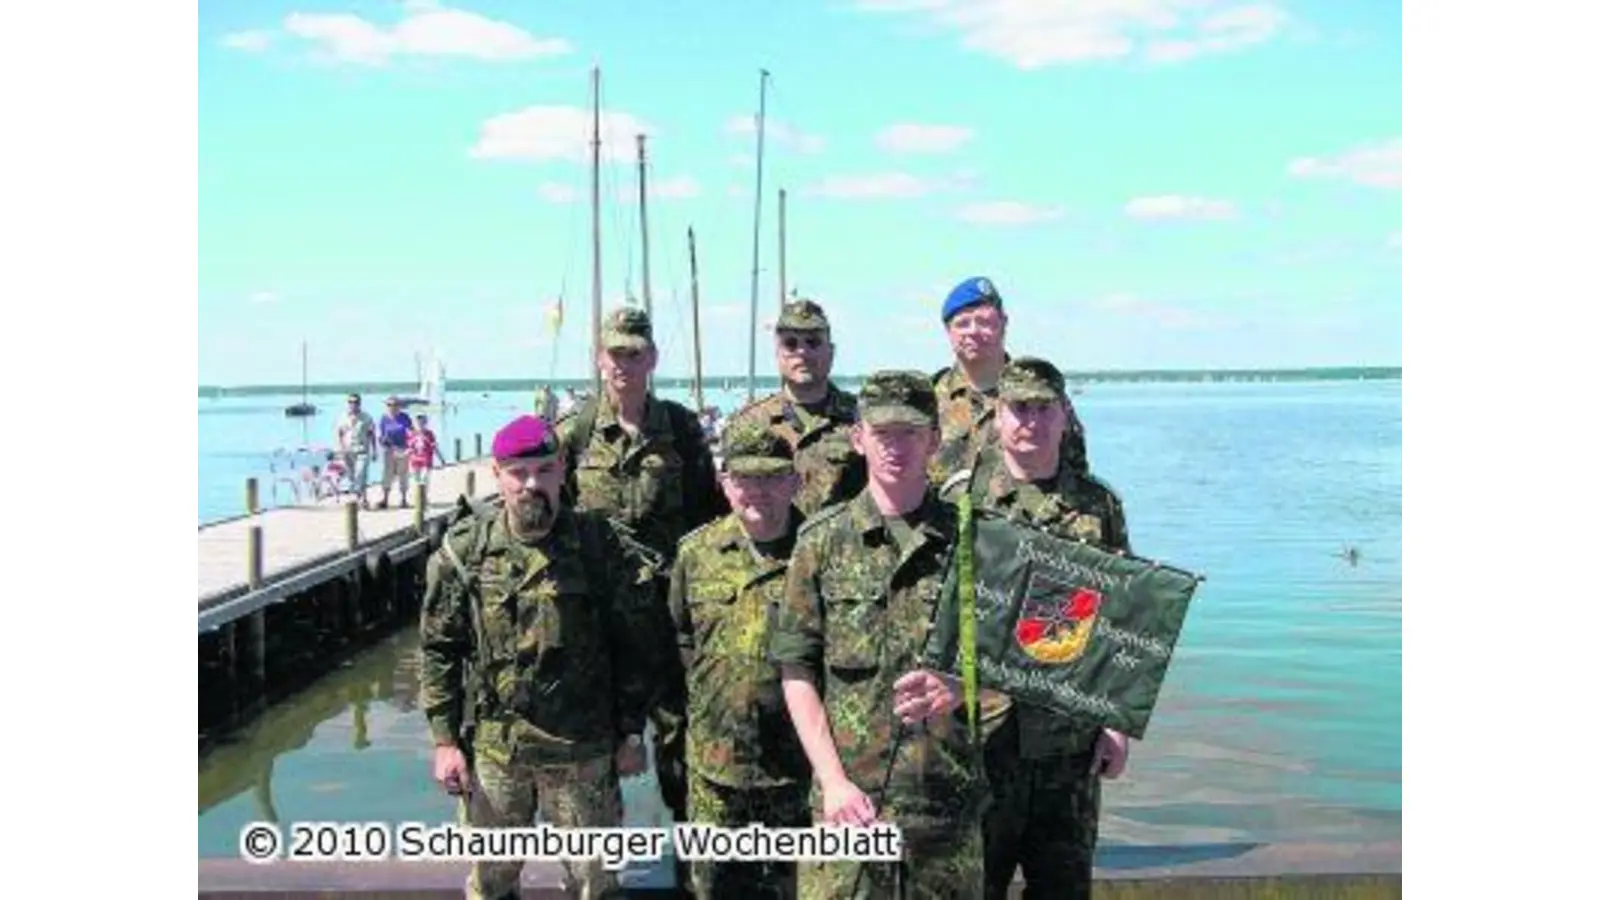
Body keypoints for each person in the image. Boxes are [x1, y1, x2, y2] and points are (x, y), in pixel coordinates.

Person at [417, 415, 675, 900]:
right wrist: (445, 741)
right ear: (497, 474)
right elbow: (440, 649)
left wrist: (631, 731)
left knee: (593, 885)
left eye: (543, 470)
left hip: (584, 752)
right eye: (518, 472)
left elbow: (636, 646)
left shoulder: (601, 544)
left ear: (562, 470)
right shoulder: (465, 551)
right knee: (491, 882)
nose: (531, 484)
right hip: (497, 751)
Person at [770, 370, 985, 900]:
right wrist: (833, 780)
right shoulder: (820, 542)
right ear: (858, 438)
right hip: (849, 806)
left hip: (945, 803)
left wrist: (964, 688)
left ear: (934, 439)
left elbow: (1020, 661)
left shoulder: (975, 541)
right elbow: (797, 670)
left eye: (910, 432)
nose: (896, 447)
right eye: (882, 432)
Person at [942, 358, 1132, 900]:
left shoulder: (1098, 504)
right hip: (983, 738)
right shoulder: (961, 500)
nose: (1030, 420)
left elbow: (1123, 615)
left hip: (1069, 743)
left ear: (1065, 417)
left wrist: (1116, 722)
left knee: (1064, 889)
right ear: (997, 416)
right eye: (1018, 408)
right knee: (976, 886)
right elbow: (936, 614)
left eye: (1043, 409)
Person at [555, 306, 726, 889]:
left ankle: (691, 873)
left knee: (684, 749)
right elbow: (553, 518)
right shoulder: (575, 433)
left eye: (635, 353)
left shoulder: (679, 428)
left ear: (651, 358)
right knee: (597, 758)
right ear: (600, 359)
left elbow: (710, 519)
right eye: (615, 354)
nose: (625, 364)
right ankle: (598, 878)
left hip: (671, 620)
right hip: (603, 629)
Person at [667, 420, 813, 900]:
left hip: (798, 770)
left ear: (794, 480)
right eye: (745, 479)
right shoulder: (695, 554)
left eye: (772, 478)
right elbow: (680, 640)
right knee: (711, 888)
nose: (758, 492)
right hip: (715, 768)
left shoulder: (820, 551)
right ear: (724, 483)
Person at [927, 276, 1089, 488]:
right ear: (948, 331)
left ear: (1003, 323)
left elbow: (1076, 475)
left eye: (984, 322)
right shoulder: (928, 401)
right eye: (962, 324)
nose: (973, 332)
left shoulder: (1041, 396)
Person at [725, 298, 866, 516]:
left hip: (843, 546)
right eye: (791, 344)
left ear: (830, 351)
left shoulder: (862, 417)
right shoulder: (749, 422)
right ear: (778, 354)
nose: (802, 352)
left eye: (813, 342)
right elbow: (732, 498)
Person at [335, 393, 377, 508]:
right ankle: (363, 499)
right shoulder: (342, 417)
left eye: (355, 402)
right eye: (350, 402)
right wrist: (340, 450)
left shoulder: (366, 417)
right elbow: (339, 434)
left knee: (360, 473)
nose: (353, 404)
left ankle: (357, 497)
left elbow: (372, 434)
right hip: (347, 451)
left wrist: (374, 450)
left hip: (362, 450)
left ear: (360, 403)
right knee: (352, 476)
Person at [377, 396, 414, 509]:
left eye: (395, 405)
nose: (392, 407)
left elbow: (412, 432)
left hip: (403, 448)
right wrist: (382, 442)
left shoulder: (404, 417)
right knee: (387, 474)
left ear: (399, 406)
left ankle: (403, 499)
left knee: (403, 474)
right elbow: (380, 434)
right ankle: (385, 499)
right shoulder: (384, 418)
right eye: (389, 405)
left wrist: (410, 447)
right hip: (388, 449)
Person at [407, 413, 446, 496]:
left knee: (424, 480)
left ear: (425, 423)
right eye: (418, 422)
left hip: (426, 460)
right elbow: (409, 448)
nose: (420, 424)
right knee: (416, 481)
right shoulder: (411, 434)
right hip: (415, 461)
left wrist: (441, 458)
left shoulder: (429, 434)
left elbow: (434, 447)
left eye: (422, 422)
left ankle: (424, 497)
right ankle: (418, 499)